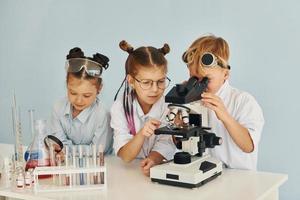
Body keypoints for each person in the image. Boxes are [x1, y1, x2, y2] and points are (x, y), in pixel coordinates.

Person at [182, 34, 264, 170]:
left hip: (238, 178)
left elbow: (249, 146)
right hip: (202, 173)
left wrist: (225, 116)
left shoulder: (243, 101)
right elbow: (179, 143)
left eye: (206, 79)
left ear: (225, 74)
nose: (199, 84)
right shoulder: (191, 101)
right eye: (194, 78)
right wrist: (180, 123)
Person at [111, 40, 176, 176]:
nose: (155, 89)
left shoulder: (168, 106)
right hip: (129, 173)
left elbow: (166, 142)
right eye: (146, 82)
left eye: (161, 81)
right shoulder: (120, 107)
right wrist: (141, 134)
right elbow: (126, 156)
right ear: (131, 81)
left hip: (158, 169)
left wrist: (153, 159)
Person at [49, 47, 113, 154]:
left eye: (86, 95)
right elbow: (58, 143)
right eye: (73, 93)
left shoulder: (102, 114)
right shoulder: (58, 108)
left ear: (99, 89)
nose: (79, 100)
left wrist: (66, 149)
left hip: (100, 166)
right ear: (66, 85)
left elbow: (98, 151)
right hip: (68, 165)